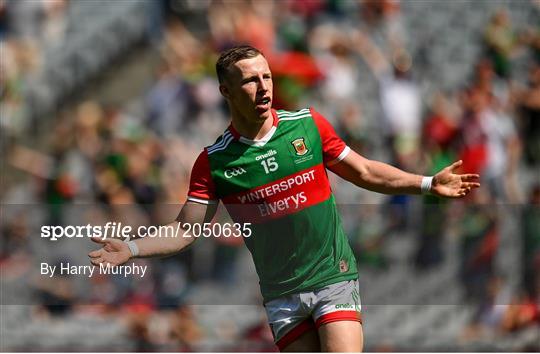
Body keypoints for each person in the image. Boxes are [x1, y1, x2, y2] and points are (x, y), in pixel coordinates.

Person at [88, 45, 480, 352]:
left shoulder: (308, 126)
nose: (263, 87)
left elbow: (364, 171)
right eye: (250, 80)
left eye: (267, 77)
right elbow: (186, 230)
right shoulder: (214, 162)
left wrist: (427, 183)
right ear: (225, 91)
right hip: (282, 295)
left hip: (332, 277)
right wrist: (133, 247)